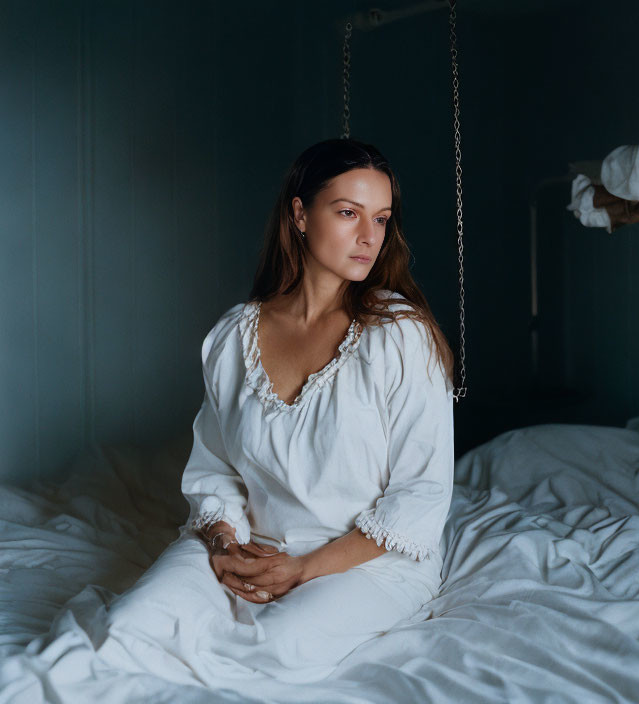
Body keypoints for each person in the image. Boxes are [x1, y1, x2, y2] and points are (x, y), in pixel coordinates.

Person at [0, 138, 456, 700]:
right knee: (129, 628)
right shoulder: (234, 336)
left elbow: (420, 495)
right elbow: (214, 470)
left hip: (369, 561)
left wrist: (303, 569)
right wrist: (222, 544)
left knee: (271, 652)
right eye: (347, 213)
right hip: (251, 543)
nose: (369, 236)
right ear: (299, 214)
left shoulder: (400, 335)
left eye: (381, 219)